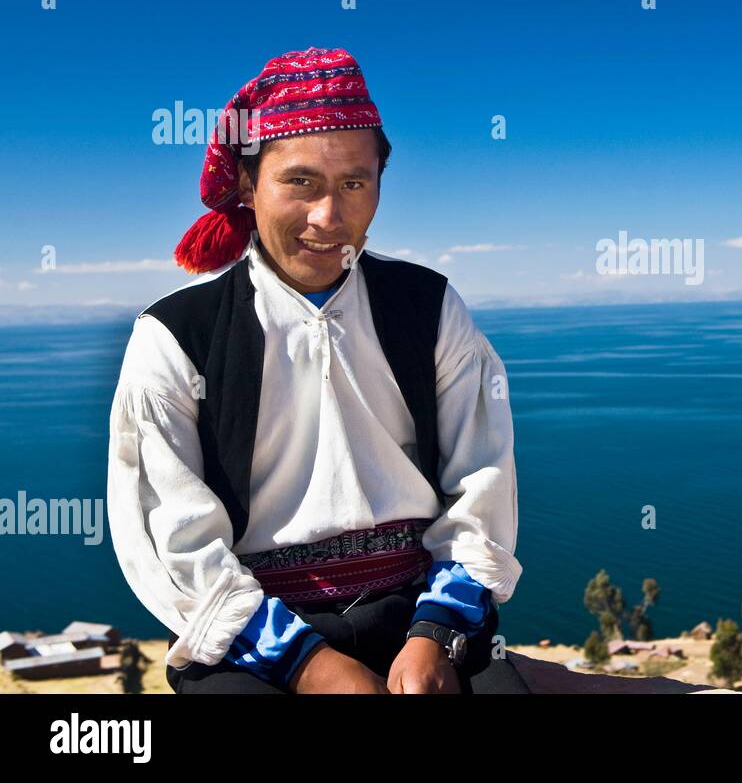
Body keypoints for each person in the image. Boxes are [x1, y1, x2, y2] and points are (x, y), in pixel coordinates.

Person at [108, 47, 529, 693]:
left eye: (354, 184)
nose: (330, 218)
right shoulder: (172, 338)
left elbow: (480, 484)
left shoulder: (431, 308)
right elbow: (175, 539)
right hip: (251, 642)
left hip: (419, 620)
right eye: (300, 182)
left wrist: (435, 634)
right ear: (248, 185)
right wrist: (311, 666)